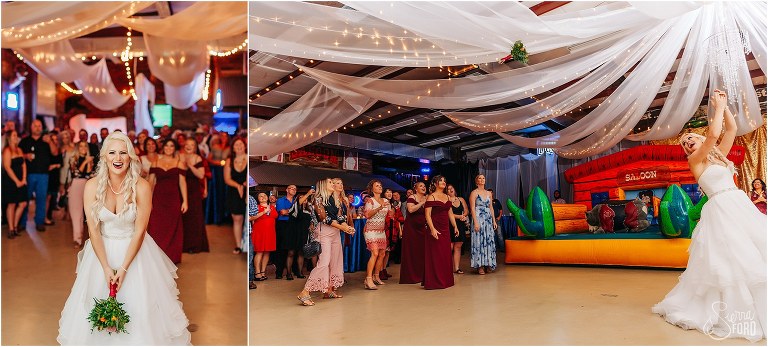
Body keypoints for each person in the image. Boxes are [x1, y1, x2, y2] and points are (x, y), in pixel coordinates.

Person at [652, 90, 766, 342]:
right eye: (684, 143)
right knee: (730, 259)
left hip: (738, 203)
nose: (687, 142)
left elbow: (731, 129)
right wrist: (717, 105)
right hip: (720, 210)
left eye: (690, 138)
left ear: (699, 137)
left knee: (753, 252)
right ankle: (731, 309)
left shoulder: (719, 157)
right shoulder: (696, 161)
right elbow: (713, 134)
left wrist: (724, 108)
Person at [57, 132, 191, 345]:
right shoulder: (91, 186)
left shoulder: (142, 186)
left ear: (130, 157)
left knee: (140, 312)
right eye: (112, 153)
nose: (117, 158)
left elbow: (140, 231)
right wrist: (107, 268)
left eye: (123, 153)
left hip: (135, 253)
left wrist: (124, 269)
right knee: (94, 312)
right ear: (104, 157)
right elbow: (93, 230)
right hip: (101, 254)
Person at [296, 178, 356, 306]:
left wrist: (347, 227)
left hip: (335, 234)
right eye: (330, 182)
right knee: (324, 262)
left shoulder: (335, 200)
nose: (333, 184)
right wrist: (343, 228)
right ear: (323, 185)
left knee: (335, 261)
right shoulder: (318, 199)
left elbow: (340, 217)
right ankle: (305, 292)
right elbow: (325, 219)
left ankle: (328, 290)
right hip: (324, 233)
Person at [147, 139, 188, 264]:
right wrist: (147, 200)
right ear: (163, 147)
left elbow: (182, 183)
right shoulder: (155, 162)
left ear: (174, 148)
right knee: (156, 226)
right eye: (167, 146)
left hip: (173, 198)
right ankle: (156, 255)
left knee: (172, 226)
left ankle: (171, 256)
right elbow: (150, 182)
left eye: (171, 146)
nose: (169, 148)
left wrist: (185, 201)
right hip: (158, 198)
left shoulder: (179, 163)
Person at [424, 175, 458, 290]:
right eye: (441, 180)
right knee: (436, 254)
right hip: (435, 228)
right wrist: (432, 229)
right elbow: (427, 215)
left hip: (445, 229)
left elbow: (450, 213)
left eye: (444, 180)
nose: (443, 182)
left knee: (445, 253)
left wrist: (455, 226)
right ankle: (435, 281)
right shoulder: (431, 197)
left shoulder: (447, 197)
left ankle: (446, 279)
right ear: (435, 183)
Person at [18, 120, 51, 232]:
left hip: (43, 175)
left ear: (42, 128)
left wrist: (50, 141)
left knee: (41, 199)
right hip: (28, 174)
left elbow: (55, 153)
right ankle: (22, 223)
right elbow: (16, 154)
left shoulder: (46, 141)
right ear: (31, 127)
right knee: (25, 199)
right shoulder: (24, 141)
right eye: (35, 126)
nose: (37, 128)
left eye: (39, 126)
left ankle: (39, 222)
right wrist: (25, 155)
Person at [181, 138, 209, 253]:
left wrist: (190, 166)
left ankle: (193, 245)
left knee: (194, 217)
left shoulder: (198, 158)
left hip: (193, 190)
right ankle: (182, 244)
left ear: (195, 147)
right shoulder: (179, 156)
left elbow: (201, 175)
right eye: (187, 144)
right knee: (183, 218)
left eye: (192, 145)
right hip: (180, 189)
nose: (189, 146)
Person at [363, 179, 391, 290]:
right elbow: (367, 215)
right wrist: (379, 207)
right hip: (370, 230)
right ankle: (368, 279)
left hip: (381, 230)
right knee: (374, 253)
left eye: (380, 185)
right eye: (377, 185)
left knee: (382, 254)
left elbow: (389, 214)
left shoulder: (385, 200)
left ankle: (376, 276)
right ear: (372, 188)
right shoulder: (370, 201)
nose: (380, 187)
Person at [68, 141, 96, 248]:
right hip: (76, 186)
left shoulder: (90, 159)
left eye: (85, 146)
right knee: (76, 214)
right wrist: (85, 162)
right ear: (77, 148)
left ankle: (92, 239)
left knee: (90, 214)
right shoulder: (73, 159)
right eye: (81, 146)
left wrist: (89, 163)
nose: (83, 148)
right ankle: (77, 239)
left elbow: (89, 174)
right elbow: (76, 173)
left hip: (87, 186)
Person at [399, 182, 428, 284]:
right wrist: (421, 203)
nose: (423, 187)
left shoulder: (427, 197)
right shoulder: (412, 197)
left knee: (422, 252)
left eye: (424, 186)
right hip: (411, 229)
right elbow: (410, 210)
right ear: (416, 188)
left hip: (422, 228)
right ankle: (411, 276)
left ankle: (422, 275)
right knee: (412, 251)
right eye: (421, 186)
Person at [2, 130, 28, 238]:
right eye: (14, 135)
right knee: (11, 204)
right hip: (10, 181)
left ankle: (15, 226)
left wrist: (23, 178)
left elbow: (24, 165)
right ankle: (11, 229)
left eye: (16, 135)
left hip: (21, 181)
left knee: (23, 204)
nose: (16, 137)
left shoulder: (19, 149)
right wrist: (17, 181)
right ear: (9, 138)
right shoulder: (7, 150)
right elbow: (7, 168)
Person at [470, 174, 497, 275]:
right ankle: (480, 266)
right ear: (476, 181)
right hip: (478, 218)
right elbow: (472, 208)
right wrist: (475, 221)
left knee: (488, 240)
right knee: (479, 241)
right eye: (479, 178)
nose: (482, 180)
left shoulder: (489, 193)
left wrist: (494, 221)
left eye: (483, 178)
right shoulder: (474, 193)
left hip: (488, 219)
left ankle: (488, 263)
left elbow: (491, 207)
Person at [224, 137, 247, 255]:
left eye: (241, 144)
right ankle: (238, 245)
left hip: (247, 191)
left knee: (247, 219)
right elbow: (227, 179)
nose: (238, 147)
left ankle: (247, 244)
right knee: (237, 219)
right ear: (233, 147)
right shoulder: (229, 160)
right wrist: (238, 186)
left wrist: (245, 184)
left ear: (244, 146)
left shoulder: (248, 158)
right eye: (236, 145)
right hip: (233, 192)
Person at [252, 192, 277, 284]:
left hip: (270, 232)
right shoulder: (256, 207)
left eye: (264, 196)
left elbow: (275, 216)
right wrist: (263, 212)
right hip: (259, 232)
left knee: (267, 252)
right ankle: (257, 272)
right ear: (258, 199)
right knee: (259, 251)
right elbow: (252, 218)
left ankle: (263, 271)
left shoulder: (272, 207)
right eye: (260, 196)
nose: (263, 197)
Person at [274, 185, 297, 278]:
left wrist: (290, 211)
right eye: (292, 188)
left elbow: (299, 213)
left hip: (294, 225)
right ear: (287, 190)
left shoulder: (296, 201)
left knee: (292, 249)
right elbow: (282, 212)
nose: (294, 190)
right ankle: (279, 272)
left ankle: (290, 272)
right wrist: (294, 211)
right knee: (281, 249)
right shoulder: (281, 200)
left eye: (295, 189)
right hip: (283, 225)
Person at [447, 184, 468, 274]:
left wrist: (464, 215)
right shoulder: (446, 200)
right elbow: (448, 214)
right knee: (450, 247)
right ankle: (447, 268)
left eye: (451, 188)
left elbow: (467, 210)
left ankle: (457, 268)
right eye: (448, 189)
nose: (450, 190)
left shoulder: (461, 199)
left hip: (460, 224)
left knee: (458, 246)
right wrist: (459, 216)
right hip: (450, 224)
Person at [45, 131, 62, 226]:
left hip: (55, 176)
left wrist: (55, 165)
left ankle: (49, 216)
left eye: (56, 139)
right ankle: (45, 217)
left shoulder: (59, 150)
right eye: (53, 139)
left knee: (52, 198)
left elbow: (61, 164)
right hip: (48, 176)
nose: (55, 141)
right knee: (48, 197)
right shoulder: (47, 150)